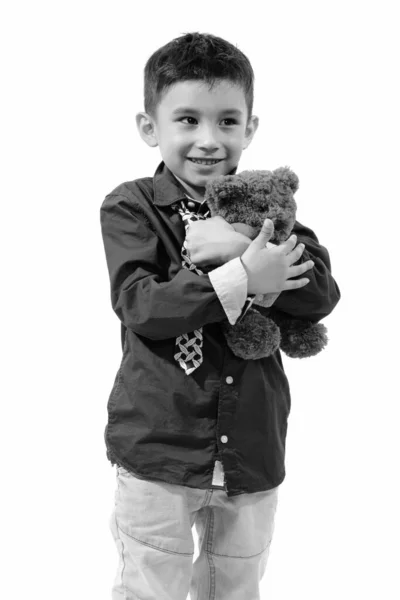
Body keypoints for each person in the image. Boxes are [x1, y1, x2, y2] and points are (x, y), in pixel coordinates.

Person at [100, 31, 340, 600]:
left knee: (236, 586)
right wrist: (240, 280)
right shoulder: (130, 207)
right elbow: (142, 305)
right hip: (159, 444)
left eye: (228, 122)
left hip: (251, 449)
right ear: (149, 127)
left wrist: (238, 247)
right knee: (148, 587)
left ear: (250, 128)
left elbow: (321, 294)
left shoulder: (269, 211)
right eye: (187, 120)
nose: (208, 140)